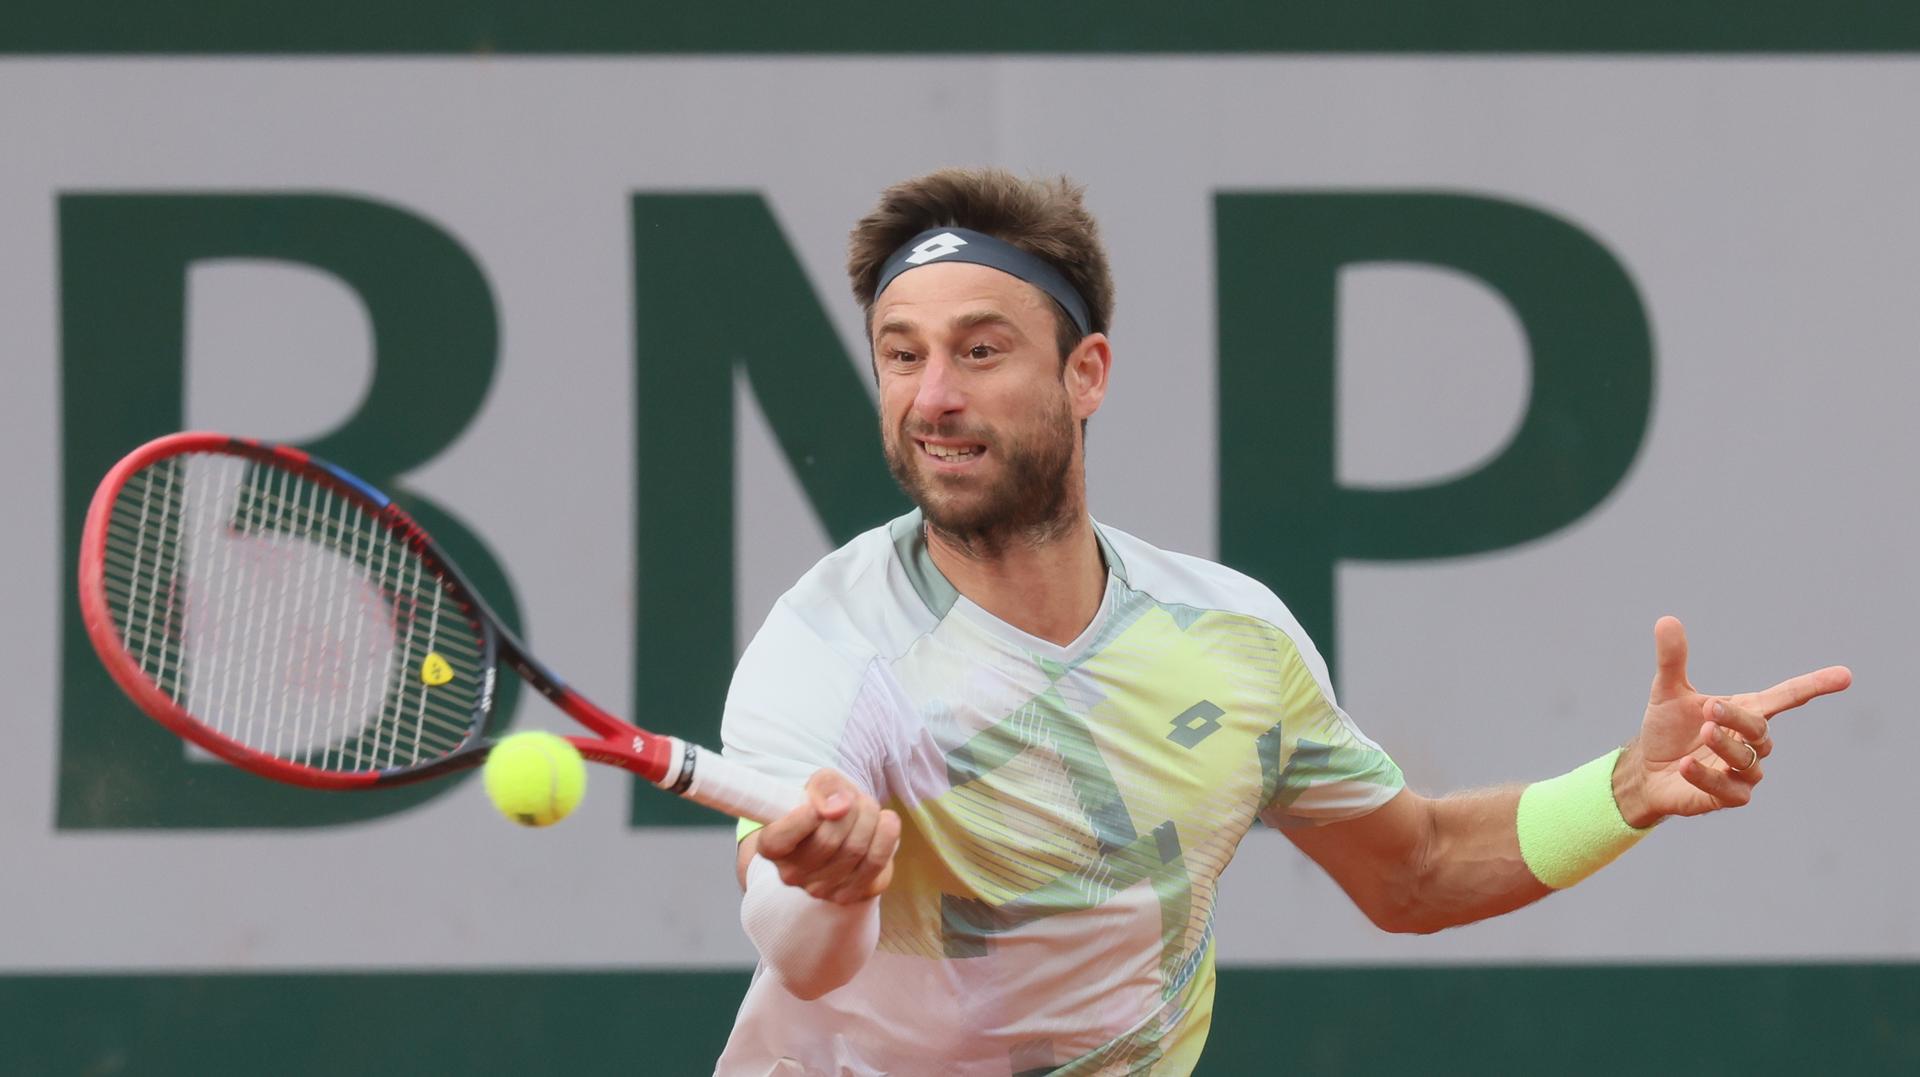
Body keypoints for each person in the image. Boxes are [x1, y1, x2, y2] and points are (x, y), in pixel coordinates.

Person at [713, 168, 1851, 1075]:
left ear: (1086, 373)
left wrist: (1625, 792)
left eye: (980, 349)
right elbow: (799, 955)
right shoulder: (828, 646)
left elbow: (1414, 870)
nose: (933, 397)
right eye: (900, 356)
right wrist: (830, 883)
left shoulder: (1232, 640)